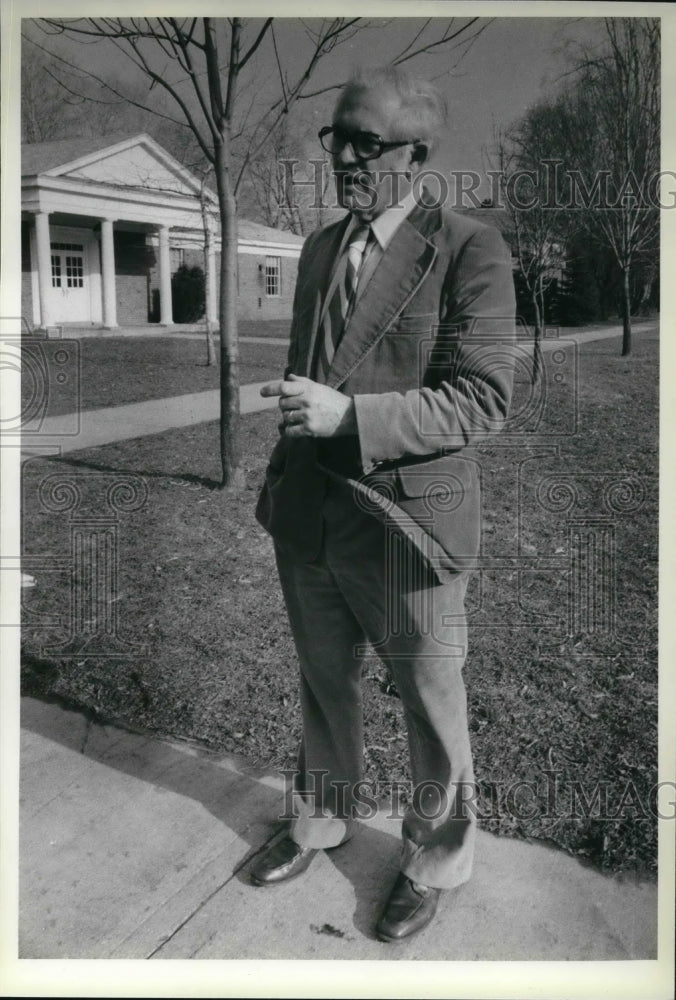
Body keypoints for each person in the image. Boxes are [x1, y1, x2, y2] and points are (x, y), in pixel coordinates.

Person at [252, 65, 516, 943]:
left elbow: (482, 397)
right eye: (339, 137)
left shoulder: (470, 248)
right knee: (324, 685)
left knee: (430, 699)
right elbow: (305, 374)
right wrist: (281, 471)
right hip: (312, 518)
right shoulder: (321, 248)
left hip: (410, 529)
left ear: (417, 155)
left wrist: (351, 416)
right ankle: (321, 820)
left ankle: (438, 855)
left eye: (369, 143)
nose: (347, 158)